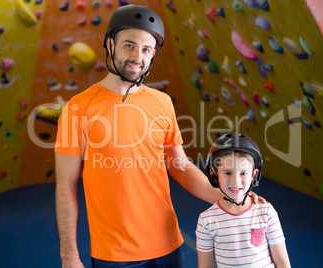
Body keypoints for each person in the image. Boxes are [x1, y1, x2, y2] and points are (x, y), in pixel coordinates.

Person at [55, 5, 265, 268]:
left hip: (169, 245)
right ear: (110, 44)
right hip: (114, 254)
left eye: (145, 49)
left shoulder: (162, 102)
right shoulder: (78, 107)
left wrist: (229, 197)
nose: (137, 57)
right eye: (129, 45)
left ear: (153, 54)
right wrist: (69, 256)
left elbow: (180, 166)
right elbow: (66, 185)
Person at [196, 133, 291, 268]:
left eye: (243, 173)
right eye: (228, 173)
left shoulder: (266, 212)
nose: (236, 182)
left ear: (253, 174)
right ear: (214, 173)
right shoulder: (206, 220)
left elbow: (282, 263)